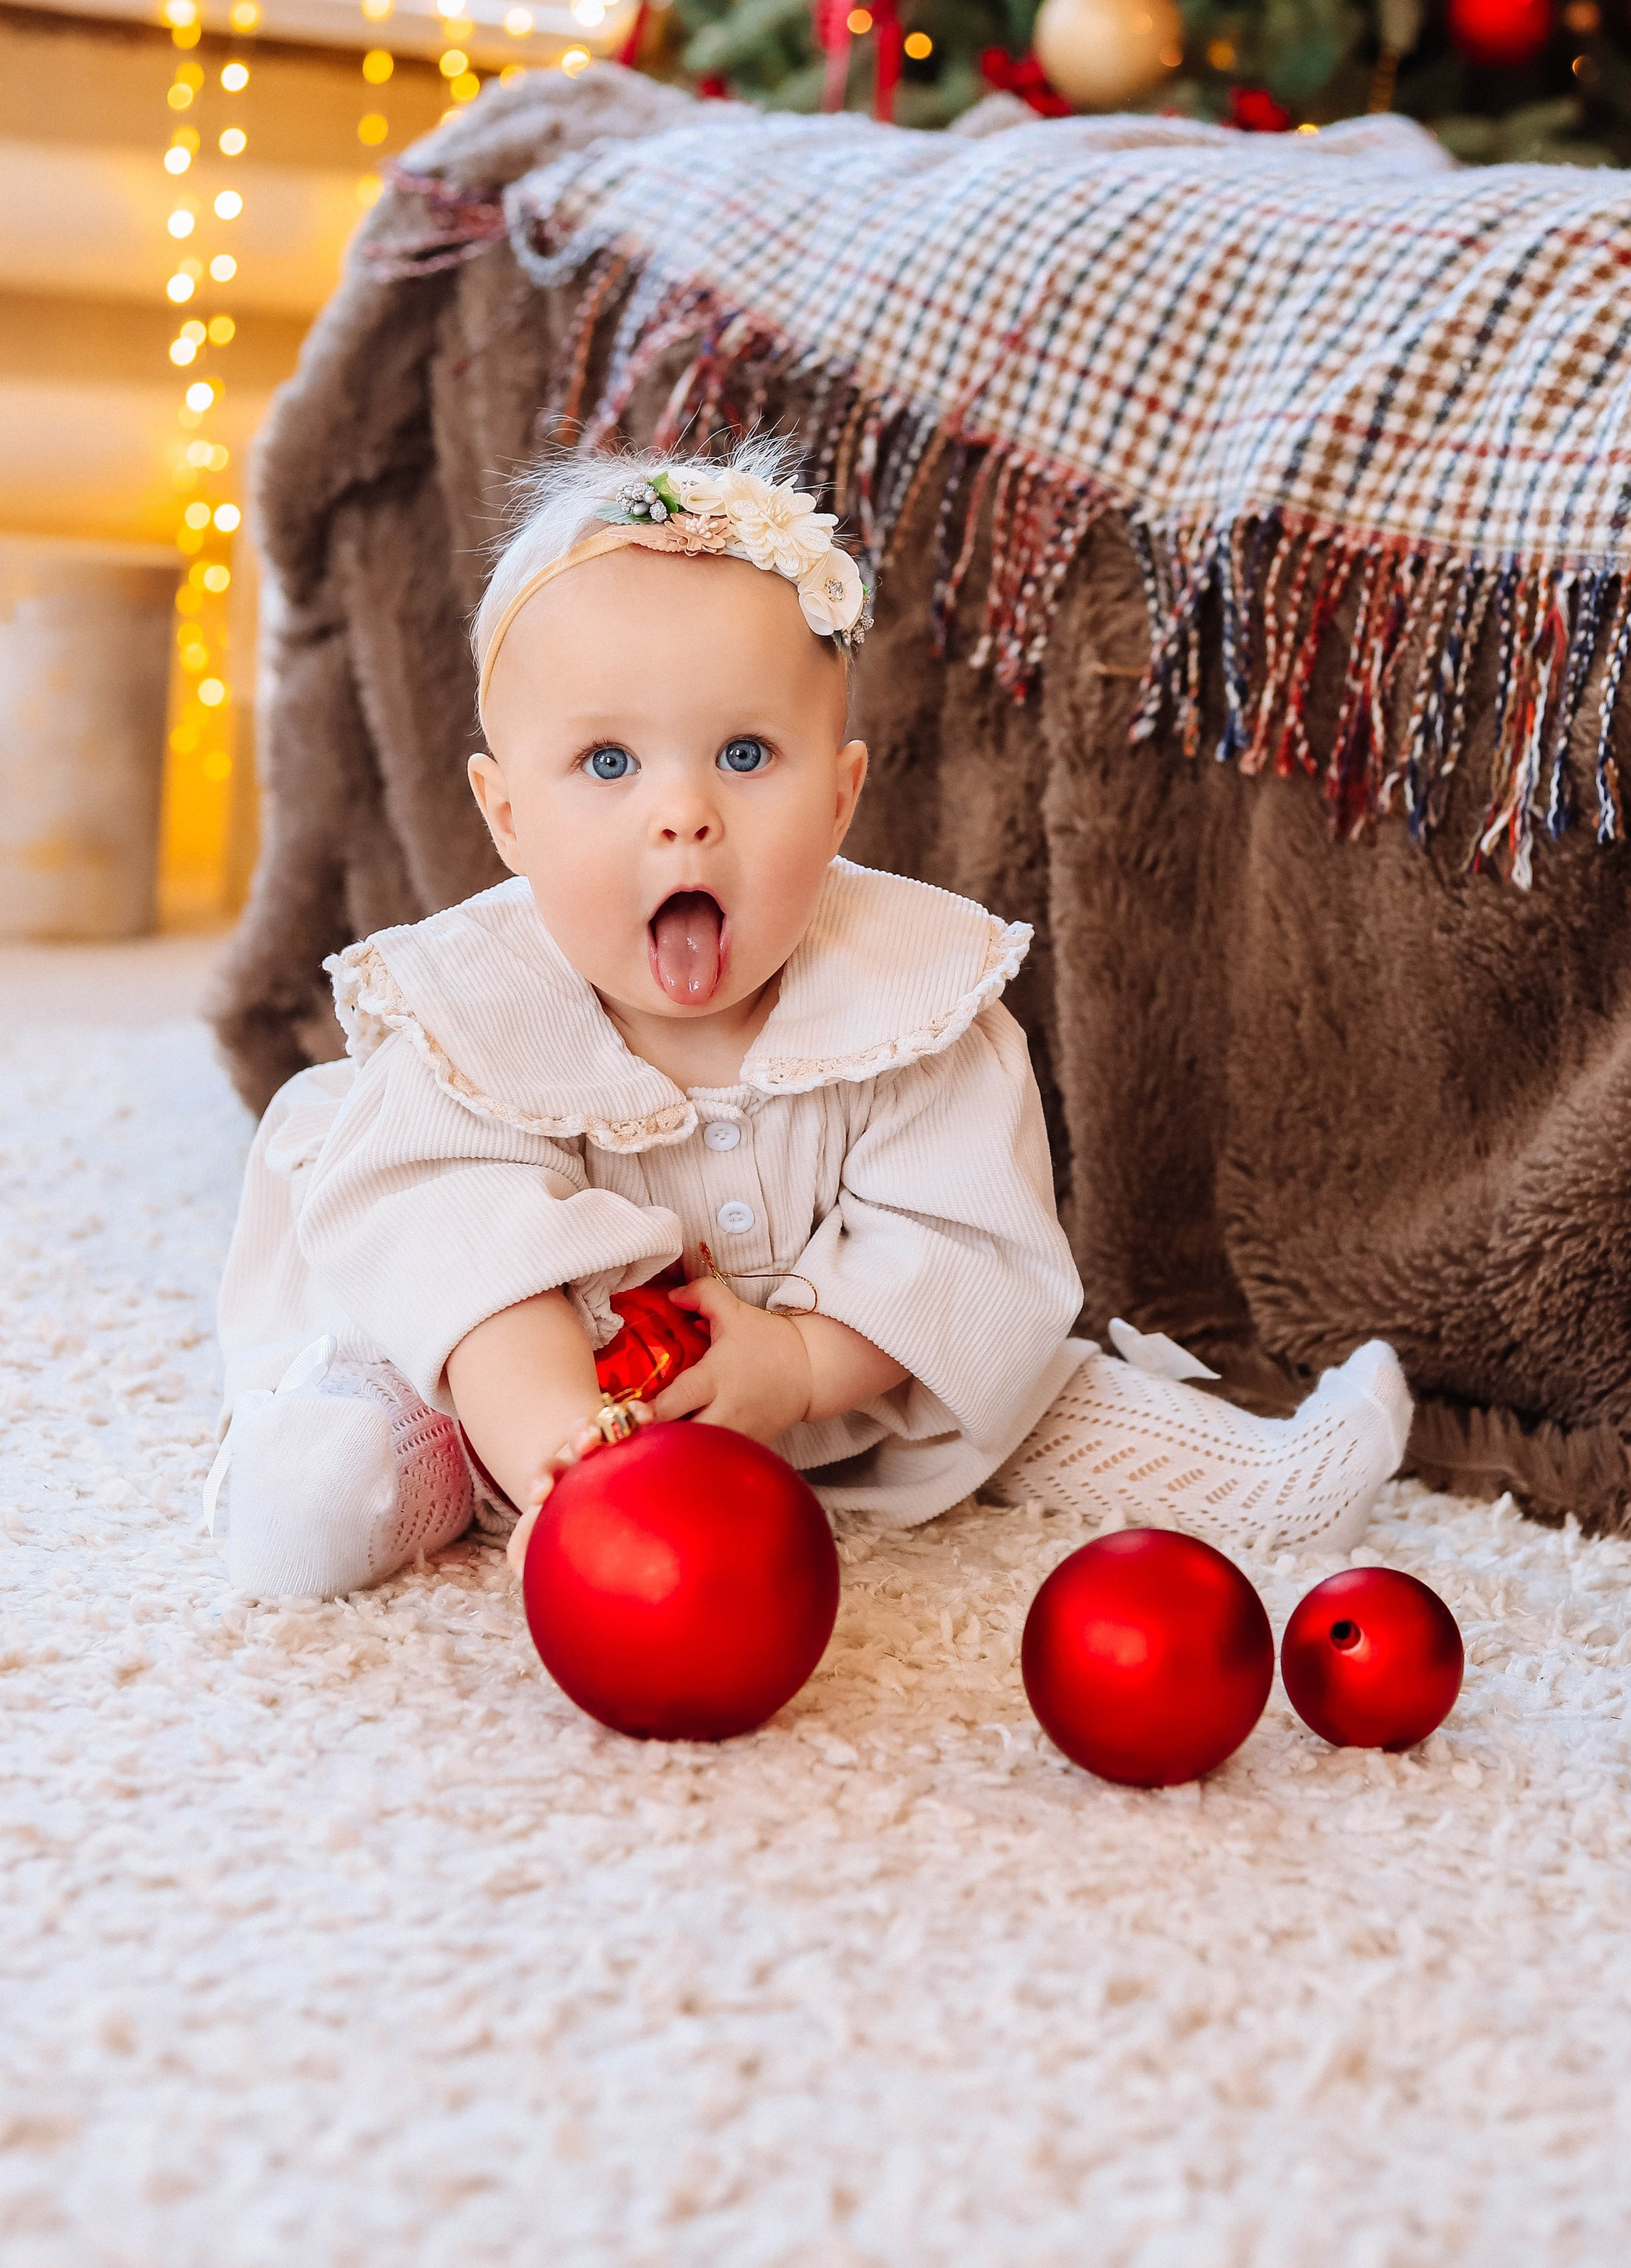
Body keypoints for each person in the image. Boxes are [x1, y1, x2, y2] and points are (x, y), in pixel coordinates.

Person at [209, 444, 1410, 1598]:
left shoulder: (907, 1000)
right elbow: (468, 1258)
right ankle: (357, 1482)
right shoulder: (474, 1017)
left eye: (744, 753)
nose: (683, 814)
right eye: (609, 762)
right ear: (507, 813)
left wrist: (799, 1365)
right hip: (514, 1388)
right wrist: (572, 1468)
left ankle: (1270, 1479)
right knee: (385, 1436)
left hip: (836, 1385)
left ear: (840, 798)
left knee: (1022, 1381)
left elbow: (957, 1246)